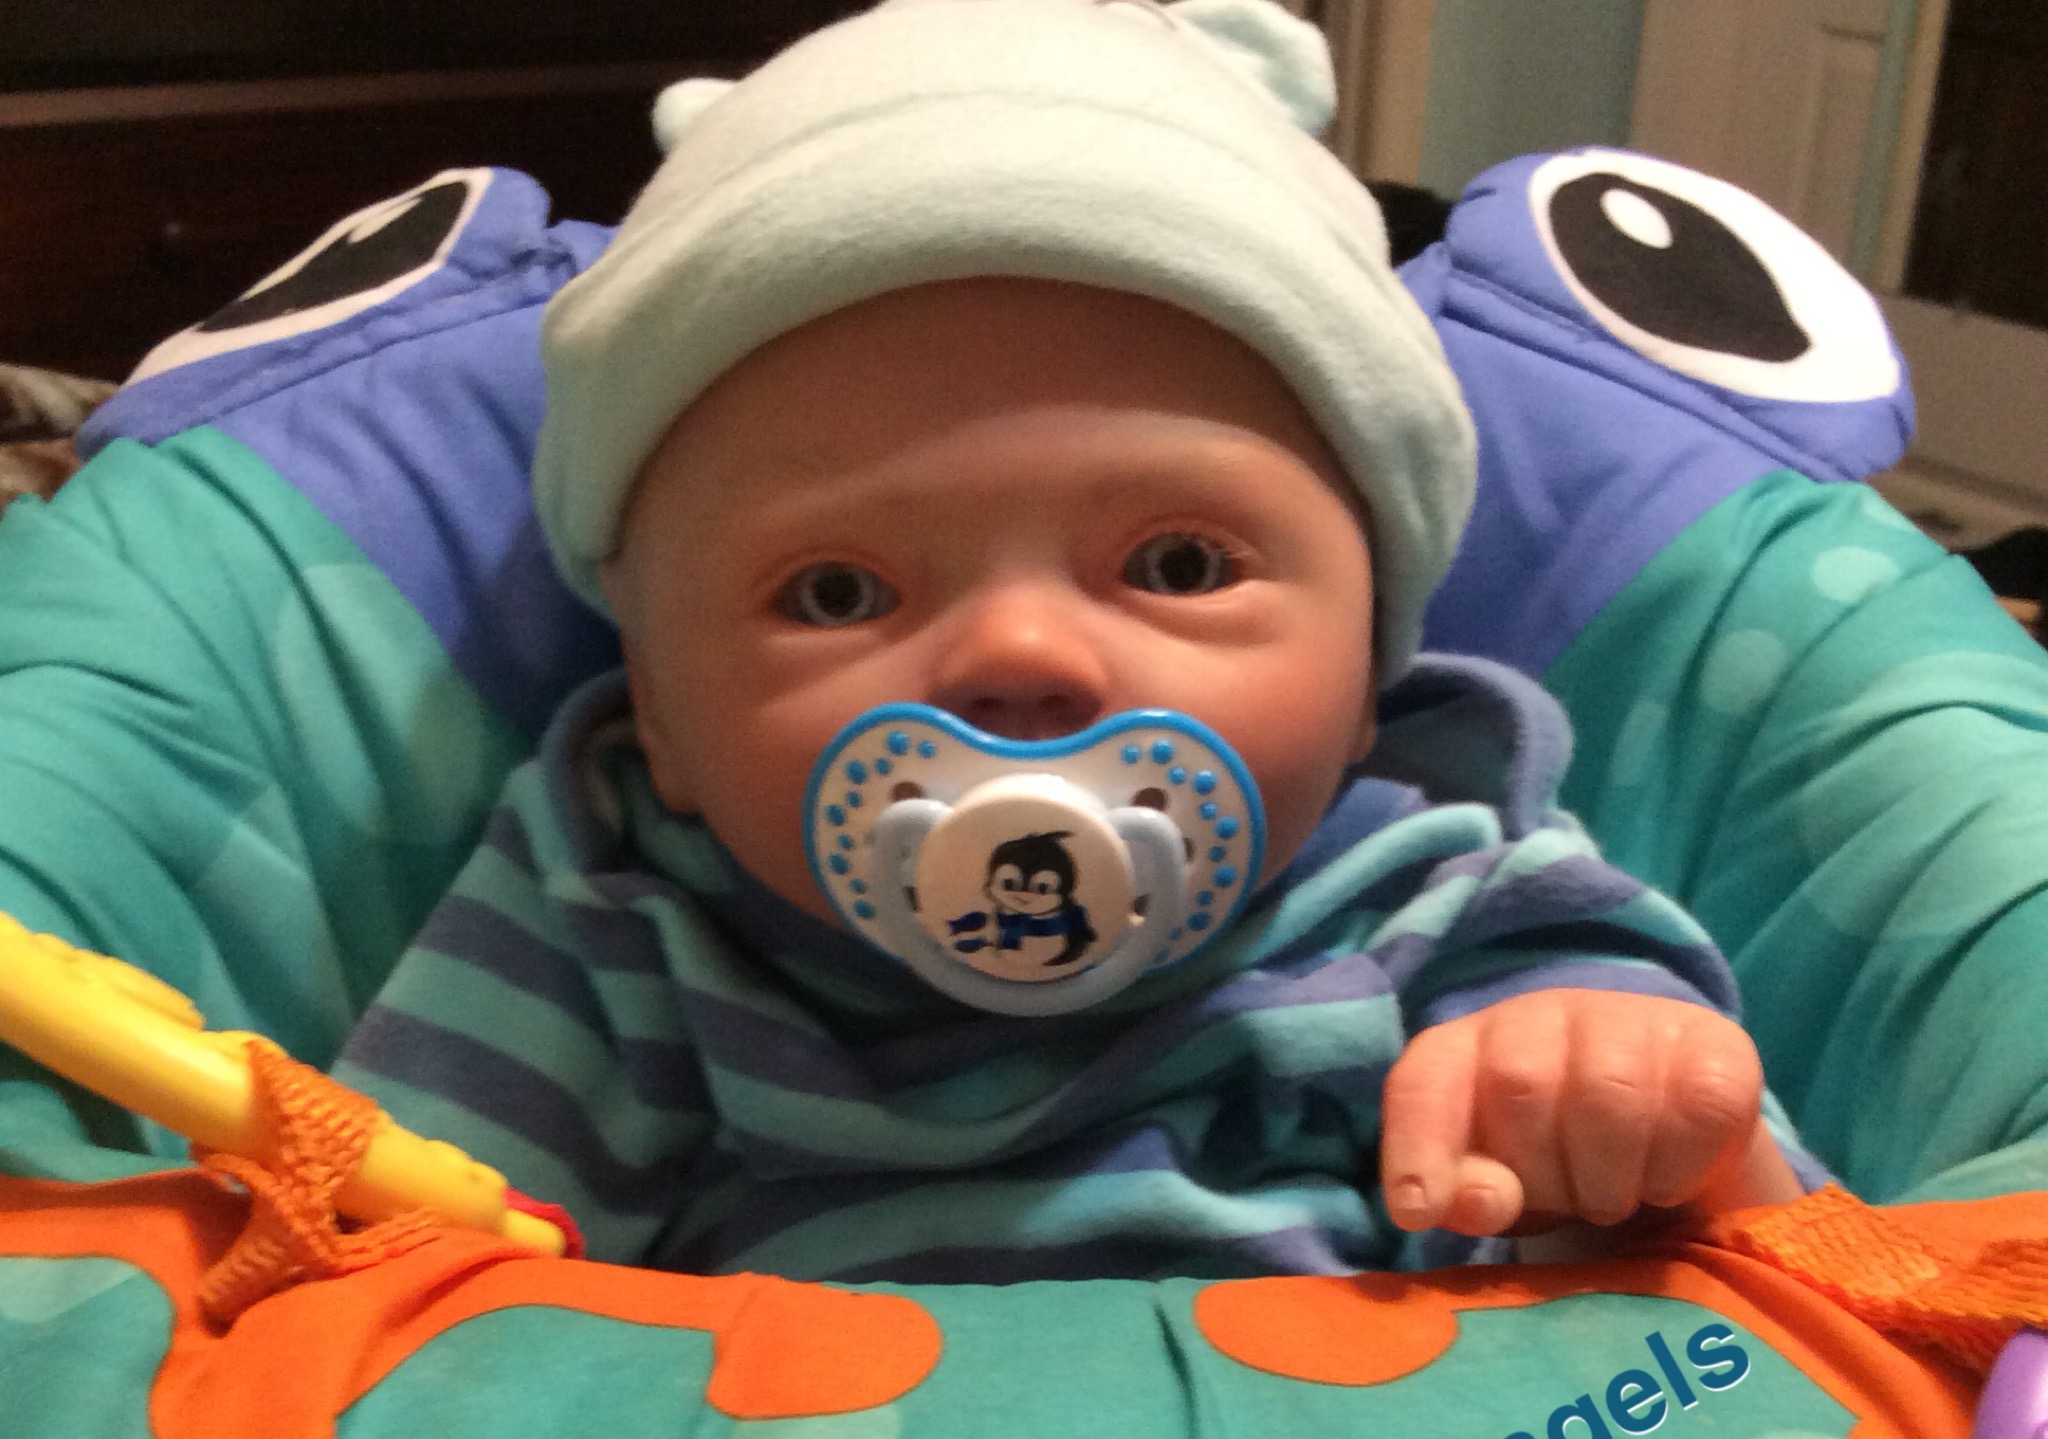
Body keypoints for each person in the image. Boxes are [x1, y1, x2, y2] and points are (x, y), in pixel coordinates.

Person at [333, 0, 1805, 1280]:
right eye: (836, 593)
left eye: (1178, 564)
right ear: (658, 714)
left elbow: (1756, 1269)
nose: (1022, 655)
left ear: (1371, 666)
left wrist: (1621, 1117)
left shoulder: (1451, 907)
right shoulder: (620, 922)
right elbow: (387, 1259)